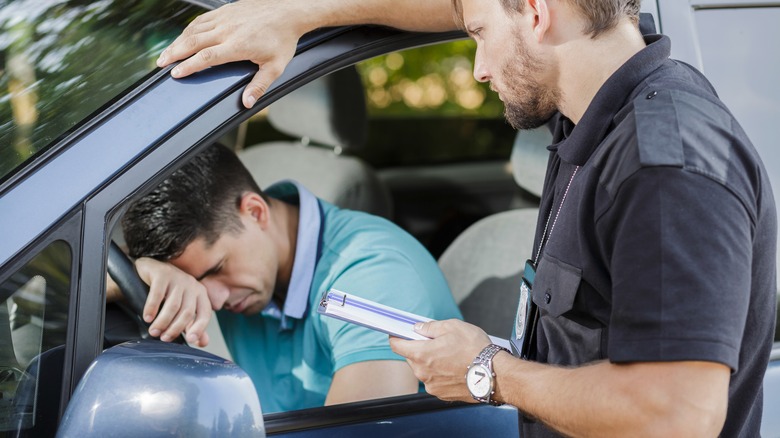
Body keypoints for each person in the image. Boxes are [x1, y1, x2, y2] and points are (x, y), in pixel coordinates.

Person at [156, 1, 777, 436]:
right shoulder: (592, 114)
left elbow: (676, 415)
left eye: (477, 33)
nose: (477, 67)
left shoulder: (664, 165)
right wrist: (298, 15)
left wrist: (487, 373)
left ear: (535, 11)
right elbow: (455, 3)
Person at [117, 143, 462, 413]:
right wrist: (145, 272)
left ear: (255, 212)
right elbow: (84, 286)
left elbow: (355, 434)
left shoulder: (373, 272)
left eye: (217, 269)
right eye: (191, 281)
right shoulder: (238, 270)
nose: (214, 301)